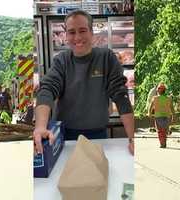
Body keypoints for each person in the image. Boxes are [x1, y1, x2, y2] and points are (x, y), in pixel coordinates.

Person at [33, 10, 134, 155]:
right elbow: (47, 90)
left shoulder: (106, 57)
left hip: (98, 134)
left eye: (82, 30)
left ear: (92, 32)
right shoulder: (61, 60)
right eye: (72, 32)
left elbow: (120, 95)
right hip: (64, 137)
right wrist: (40, 126)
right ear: (66, 35)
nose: (77, 37)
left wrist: (132, 137)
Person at [148, 83, 174, 148]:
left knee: (160, 131)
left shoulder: (155, 98)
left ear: (159, 90)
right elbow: (172, 108)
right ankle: (164, 142)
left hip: (158, 117)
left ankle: (162, 144)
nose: (157, 90)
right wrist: (173, 116)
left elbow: (150, 107)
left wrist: (149, 114)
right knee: (164, 131)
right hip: (167, 117)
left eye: (158, 89)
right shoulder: (169, 98)